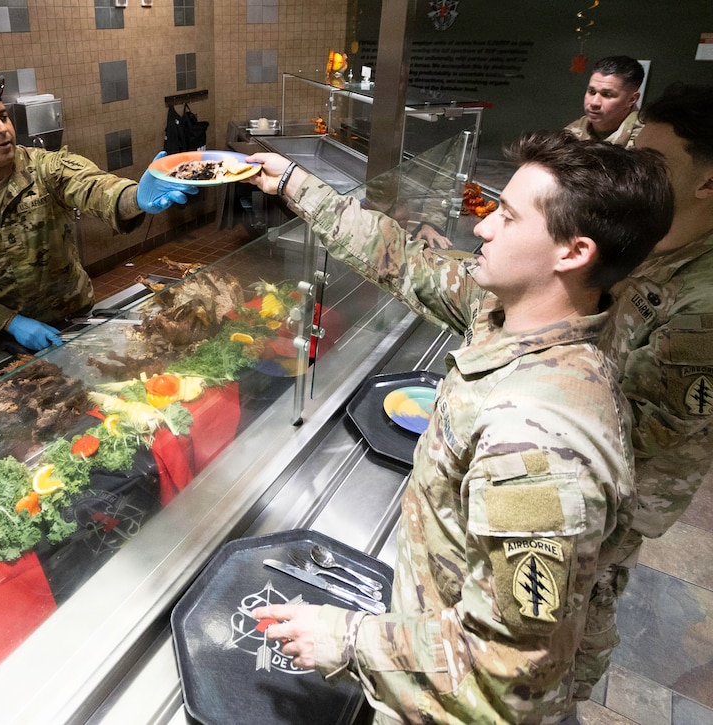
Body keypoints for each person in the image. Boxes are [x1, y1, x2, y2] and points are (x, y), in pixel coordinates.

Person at [243, 131, 673, 723]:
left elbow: (510, 677)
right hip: (426, 633)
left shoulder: (540, 443)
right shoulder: (506, 314)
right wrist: (294, 184)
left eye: (507, 216)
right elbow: (403, 259)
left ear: (573, 252)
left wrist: (347, 639)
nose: (482, 227)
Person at [573, 83, 713, 701]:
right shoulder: (650, 238)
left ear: (707, 184)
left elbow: (638, 429)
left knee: (581, 607)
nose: (635, 173)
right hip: (584, 456)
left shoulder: (703, 307)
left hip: (624, 488)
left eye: (654, 165)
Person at [0, 76, 196, 354]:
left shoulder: (46, 169)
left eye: (3, 116)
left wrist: (134, 198)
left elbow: (93, 186)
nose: (2, 129)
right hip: (6, 343)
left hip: (75, 321)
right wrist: (10, 322)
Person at [564, 55, 645, 148]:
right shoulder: (573, 131)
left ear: (632, 99)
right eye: (592, 92)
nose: (594, 103)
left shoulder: (646, 139)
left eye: (607, 94)